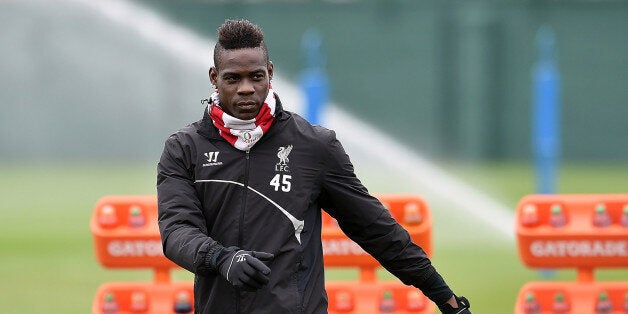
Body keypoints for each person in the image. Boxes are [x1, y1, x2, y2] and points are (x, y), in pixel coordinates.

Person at [157, 19, 471, 314]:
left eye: (255, 76)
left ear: (270, 72)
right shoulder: (185, 148)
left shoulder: (314, 146)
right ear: (214, 78)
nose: (246, 88)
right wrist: (222, 258)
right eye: (232, 78)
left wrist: (444, 297)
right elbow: (176, 231)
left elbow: (375, 228)